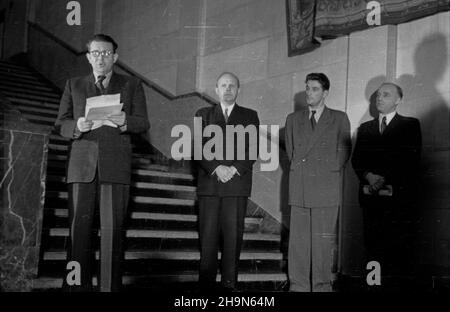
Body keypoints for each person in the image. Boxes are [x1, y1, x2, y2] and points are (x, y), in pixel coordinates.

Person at [55, 34, 150, 292]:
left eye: (106, 53)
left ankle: (109, 289)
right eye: (95, 53)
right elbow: (60, 123)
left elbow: (143, 123)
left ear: (115, 58)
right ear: (88, 57)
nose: (100, 57)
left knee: (111, 233)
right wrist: (76, 126)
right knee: (79, 233)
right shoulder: (73, 85)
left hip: (115, 168)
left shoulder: (131, 85)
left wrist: (124, 121)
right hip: (81, 167)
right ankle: (76, 288)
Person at [284, 73, 351, 292]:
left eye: (314, 89)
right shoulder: (293, 119)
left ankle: (322, 287)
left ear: (325, 93)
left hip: (326, 188)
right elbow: (291, 151)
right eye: (307, 88)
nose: (309, 93)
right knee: (298, 243)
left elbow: (344, 151)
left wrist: (327, 171)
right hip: (300, 187)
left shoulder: (339, 118)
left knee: (322, 244)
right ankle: (298, 286)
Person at [195, 72, 259, 292]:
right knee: (208, 238)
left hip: (236, 185)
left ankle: (229, 285)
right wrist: (216, 168)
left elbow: (253, 148)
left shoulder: (250, 115)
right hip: (210, 186)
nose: (228, 89)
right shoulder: (202, 114)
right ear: (216, 89)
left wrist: (233, 169)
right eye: (223, 85)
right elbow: (196, 147)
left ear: (238, 90)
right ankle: (206, 286)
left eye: (232, 85)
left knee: (233, 238)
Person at [352, 82, 421, 282]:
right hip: (371, 200)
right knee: (372, 249)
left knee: (398, 250)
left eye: (386, 95)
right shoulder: (365, 128)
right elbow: (356, 160)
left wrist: (383, 179)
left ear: (398, 100)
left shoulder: (410, 125)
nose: (379, 98)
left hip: (398, 202)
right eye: (377, 95)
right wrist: (369, 176)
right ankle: (374, 285)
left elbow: (412, 159)